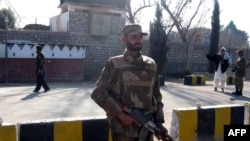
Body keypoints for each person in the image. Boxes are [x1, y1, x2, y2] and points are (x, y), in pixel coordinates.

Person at [90, 24, 168, 141]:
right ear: (124, 39)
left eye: (140, 36)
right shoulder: (114, 64)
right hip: (123, 131)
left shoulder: (151, 65)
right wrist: (121, 115)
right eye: (134, 37)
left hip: (147, 130)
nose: (138, 40)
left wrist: (159, 122)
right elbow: (98, 93)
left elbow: (157, 97)